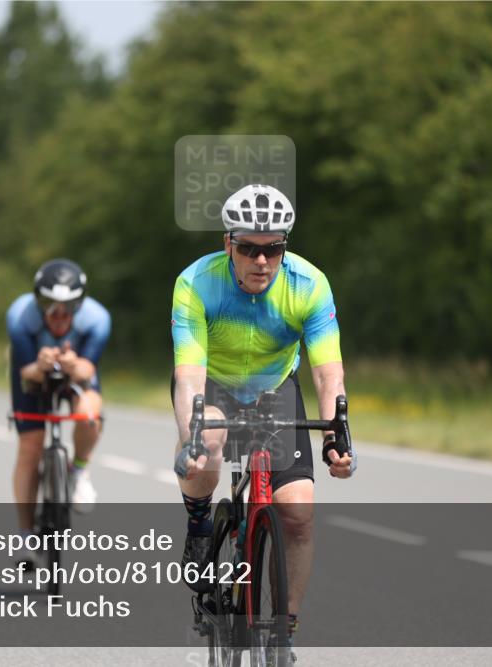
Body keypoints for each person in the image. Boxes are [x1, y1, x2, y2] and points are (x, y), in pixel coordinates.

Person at [171, 184, 356, 660]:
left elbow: (326, 370)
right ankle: (198, 524)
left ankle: (284, 629)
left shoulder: (309, 285)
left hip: (277, 389)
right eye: (249, 248)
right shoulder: (195, 283)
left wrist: (338, 432)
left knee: (298, 512)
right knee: (207, 437)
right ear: (227, 243)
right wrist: (192, 434)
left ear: (284, 247)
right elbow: (188, 372)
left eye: (273, 248)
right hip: (214, 385)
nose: (261, 261)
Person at [6, 259, 111, 546]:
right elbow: (25, 373)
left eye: (68, 308)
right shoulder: (20, 316)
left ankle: (78, 470)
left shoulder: (97, 318)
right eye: (49, 304)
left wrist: (72, 365)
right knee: (30, 446)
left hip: (74, 373)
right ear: (37, 300)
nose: (58, 315)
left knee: (90, 414)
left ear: (80, 305)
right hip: (33, 375)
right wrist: (40, 365)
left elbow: (88, 371)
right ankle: (25, 536)